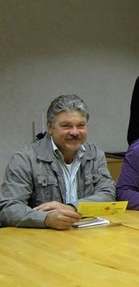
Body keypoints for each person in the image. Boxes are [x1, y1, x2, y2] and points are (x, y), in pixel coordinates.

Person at [0, 95, 115, 230]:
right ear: (50, 127)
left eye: (80, 126)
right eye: (66, 126)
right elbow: (8, 208)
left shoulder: (95, 155)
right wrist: (46, 219)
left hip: (86, 235)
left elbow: (108, 194)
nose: (74, 132)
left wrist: (72, 207)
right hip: (40, 239)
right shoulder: (25, 158)